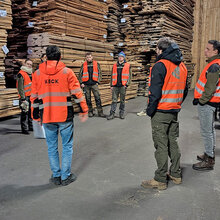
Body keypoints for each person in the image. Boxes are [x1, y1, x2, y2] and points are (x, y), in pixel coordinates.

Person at [30, 45, 88, 186]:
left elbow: (34, 97)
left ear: (46, 57)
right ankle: (65, 176)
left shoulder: (37, 74)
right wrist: (83, 110)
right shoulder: (67, 72)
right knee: (67, 146)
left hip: (47, 116)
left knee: (52, 147)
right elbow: (77, 93)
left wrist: (36, 116)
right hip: (64, 116)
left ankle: (56, 175)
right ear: (59, 57)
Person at [141, 37, 188, 190]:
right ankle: (175, 174)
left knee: (160, 145)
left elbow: (154, 93)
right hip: (174, 111)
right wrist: (176, 104)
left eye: (156, 49)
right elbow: (185, 91)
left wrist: (150, 111)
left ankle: (160, 178)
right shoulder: (182, 67)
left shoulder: (160, 66)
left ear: (161, 50)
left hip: (161, 112)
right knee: (172, 142)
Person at [192, 40, 220, 171]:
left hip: (207, 103)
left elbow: (210, 88)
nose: (205, 51)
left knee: (206, 131)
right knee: (210, 129)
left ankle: (209, 160)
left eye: (208, 49)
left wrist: (202, 100)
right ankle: (209, 153)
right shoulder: (214, 63)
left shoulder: (214, 66)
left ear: (216, 51)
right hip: (210, 102)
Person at [107, 51, 132, 120]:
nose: (120, 58)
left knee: (122, 100)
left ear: (123, 57)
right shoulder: (114, 65)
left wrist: (127, 84)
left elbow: (130, 76)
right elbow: (112, 75)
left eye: (121, 56)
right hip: (115, 86)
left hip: (123, 86)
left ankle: (121, 113)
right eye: (119, 57)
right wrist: (111, 85)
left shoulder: (127, 65)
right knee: (114, 100)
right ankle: (112, 114)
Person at [78, 52, 105, 117]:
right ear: (86, 58)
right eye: (87, 57)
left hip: (94, 84)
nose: (89, 58)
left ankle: (100, 112)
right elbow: (80, 75)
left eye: (90, 57)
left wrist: (98, 81)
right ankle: (90, 112)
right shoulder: (83, 65)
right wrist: (81, 83)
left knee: (97, 98)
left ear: (92, 57)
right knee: (88, 99)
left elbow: (100, 73)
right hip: (86, 85)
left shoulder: (96, 64)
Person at [16, 59, 33, 134]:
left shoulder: (31, 73)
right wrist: (22, 98)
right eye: (28, 64)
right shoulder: (21, 74)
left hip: (31, 96)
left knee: (30, 112)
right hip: (24, 97)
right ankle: (24, 129)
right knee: (24, 113)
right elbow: (20, 87)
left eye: (30, 64)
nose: (29, 65)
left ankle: (30, 126)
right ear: (24, 64)